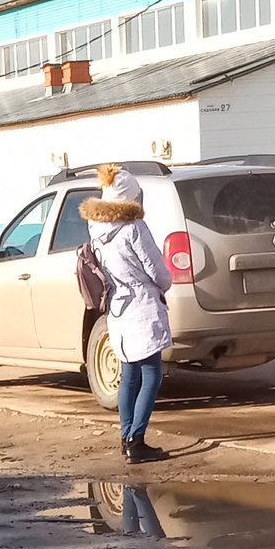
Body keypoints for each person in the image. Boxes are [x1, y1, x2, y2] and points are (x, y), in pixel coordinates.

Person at [80, 166, 175, 463]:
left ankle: (126, 436)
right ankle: (137, 440)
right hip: (142, 306)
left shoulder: (96, 229)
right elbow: (158, 271)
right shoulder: (134, 228)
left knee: (129, 375)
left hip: (118, 308)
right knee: (151, 374)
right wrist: (165, 283)